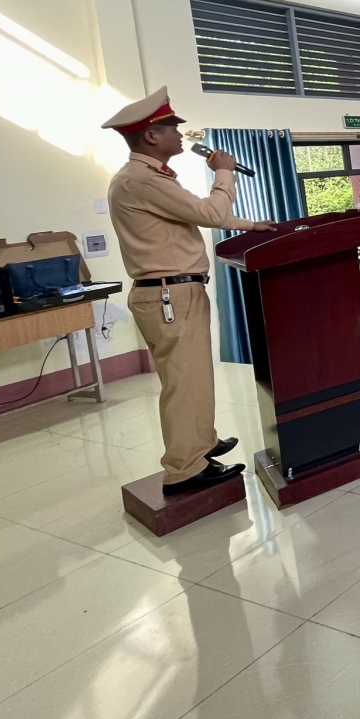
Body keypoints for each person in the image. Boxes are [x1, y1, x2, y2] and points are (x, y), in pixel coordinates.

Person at [103, 87, 274, 495]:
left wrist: (253, 227)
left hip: (175, 293)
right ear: (150, 136)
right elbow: (211, 212)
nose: (181, 135)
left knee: (194, 376)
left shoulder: (149, 178)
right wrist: (224, 171)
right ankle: (183, 469)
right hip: (168, 295)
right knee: (183, 381)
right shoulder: (139, 180)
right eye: (171, 127)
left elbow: (193, 215)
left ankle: (199, 444)